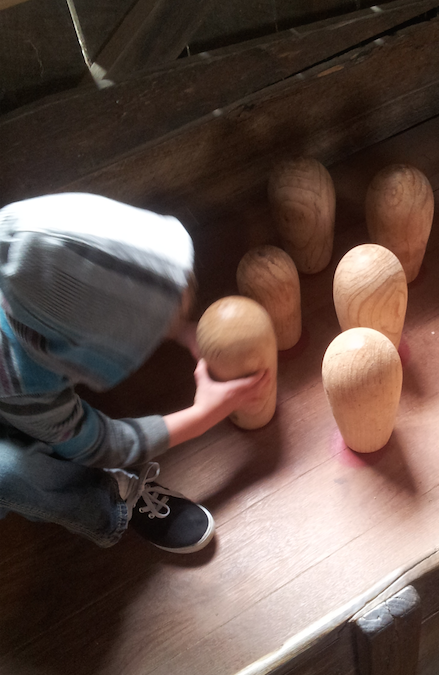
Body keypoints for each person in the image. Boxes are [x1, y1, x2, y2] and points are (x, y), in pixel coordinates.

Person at [0, 192, 269, 554]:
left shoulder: (21, 255)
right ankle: (112, 500)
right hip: (15, 404)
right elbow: (103, 444)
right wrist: (203, 415)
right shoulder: (27, 387)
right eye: (156, 325)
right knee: (10, 471)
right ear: (85, 347)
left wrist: (179, 329)